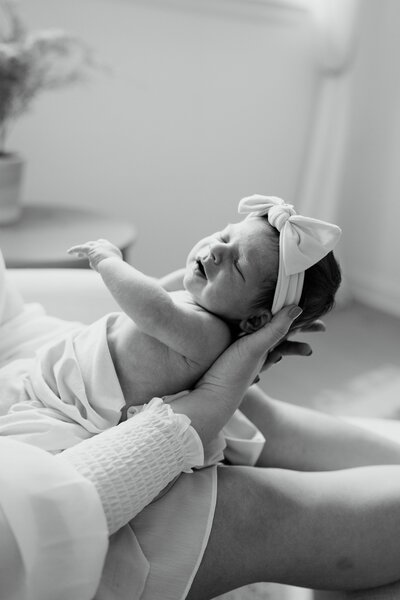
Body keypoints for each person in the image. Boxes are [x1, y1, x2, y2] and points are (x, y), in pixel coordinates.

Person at [3, 245, 400, 599]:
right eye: (223, 236)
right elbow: (157, 306)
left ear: (258, 321)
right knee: (247, 500)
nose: (214, 250)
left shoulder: (205, 329)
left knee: (252, 410)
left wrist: (109, 263)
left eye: (237, 262)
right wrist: (204, 404)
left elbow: (155, 306)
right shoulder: (204, 326)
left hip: (54, 380)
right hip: (54, 474)